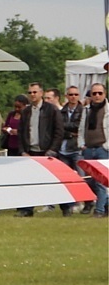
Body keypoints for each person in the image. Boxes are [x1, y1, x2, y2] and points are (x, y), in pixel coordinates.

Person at [16, 82, 60, 217]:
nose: (32, 95)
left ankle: (66, 206)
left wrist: (52, 150)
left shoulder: (51, 110)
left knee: (55, 180)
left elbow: (59, 131)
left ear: (41, 93)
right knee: (28, 181)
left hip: (46, 151)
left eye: (35, 92)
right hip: (31, 152)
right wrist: (23, 151)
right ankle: (27, 209)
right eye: (30, 92)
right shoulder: (26, 111)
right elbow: (21, 132)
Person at [54, 86, 86, 217]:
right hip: (63, 148)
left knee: (81, 177)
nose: (73, 97)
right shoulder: (61, 112)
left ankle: (84, 201)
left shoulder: (83, 111)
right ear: (66, 96)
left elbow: (79, 126)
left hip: (76, 148)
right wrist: (70, 132)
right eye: (71, 94)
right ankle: (68, 205)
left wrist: (66, 129)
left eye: (76, 94)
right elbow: (58, 127)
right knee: (65, 179)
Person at [81, 83, 107, 218]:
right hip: (88, 149)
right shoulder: (86, 110)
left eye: (100, 93)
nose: (97, 96)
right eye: (94, 93)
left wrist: (106, 146)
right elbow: (81, 128)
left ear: (105, 94)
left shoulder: (108, 110)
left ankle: (99, 210)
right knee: (90, 181)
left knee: (101, 181)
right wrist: (81, 144)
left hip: (103, 148)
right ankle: (105, 205)